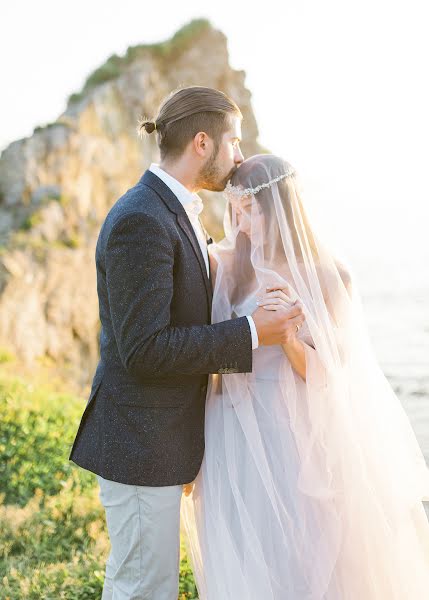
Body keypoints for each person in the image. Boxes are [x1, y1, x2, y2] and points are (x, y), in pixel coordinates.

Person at [69, 87, 304, 599]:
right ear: (203, 142)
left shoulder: (176, 212)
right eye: (234, 142)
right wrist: (251, 332)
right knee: (141, 587)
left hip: (163, 441)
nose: (239, 156)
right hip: (138, 443)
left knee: (150, 584)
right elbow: (145, 349)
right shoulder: (142, 219)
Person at [181, 153, 429, 599]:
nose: (240, 221)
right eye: (234, 208)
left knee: (306, 553)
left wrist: (289, 338)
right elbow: (200, 348)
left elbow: (329, 376)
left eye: (250, 208)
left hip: (293, 431)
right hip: (230, 427)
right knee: (243, 549)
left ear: (280, 207)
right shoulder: (220, 266)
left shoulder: (331, 276)